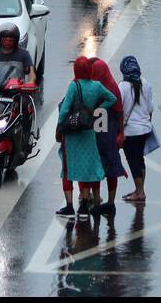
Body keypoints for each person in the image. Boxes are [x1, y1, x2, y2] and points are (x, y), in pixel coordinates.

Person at [56, 57, 116, 220]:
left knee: (67, 170)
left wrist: (61, 125)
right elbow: (112, 99)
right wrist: (97, 110)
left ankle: (69, 207)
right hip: (89, 133)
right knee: (88, 169)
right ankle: (84, 207)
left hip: (72, 135)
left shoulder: (73, 86)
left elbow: (64, 110)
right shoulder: (97, 86)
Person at [88, 57, 127, 216]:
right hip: (104, 135)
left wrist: (120, 133)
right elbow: (119, 112)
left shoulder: (104, 88)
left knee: (101, 169)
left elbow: (118, 112)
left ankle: (104, 202)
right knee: (104, 169)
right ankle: (104, 202)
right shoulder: (109, 87)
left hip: (104, 135)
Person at [118, 55, 155, 203]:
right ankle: (140, 189)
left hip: (131, 131)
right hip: (145, 129)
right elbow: (150, 108)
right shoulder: (146, 83)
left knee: (133, 161)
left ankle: (139, 192)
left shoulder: (122, 86)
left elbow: (119, 110)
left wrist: (120, 131)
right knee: (140, 159)